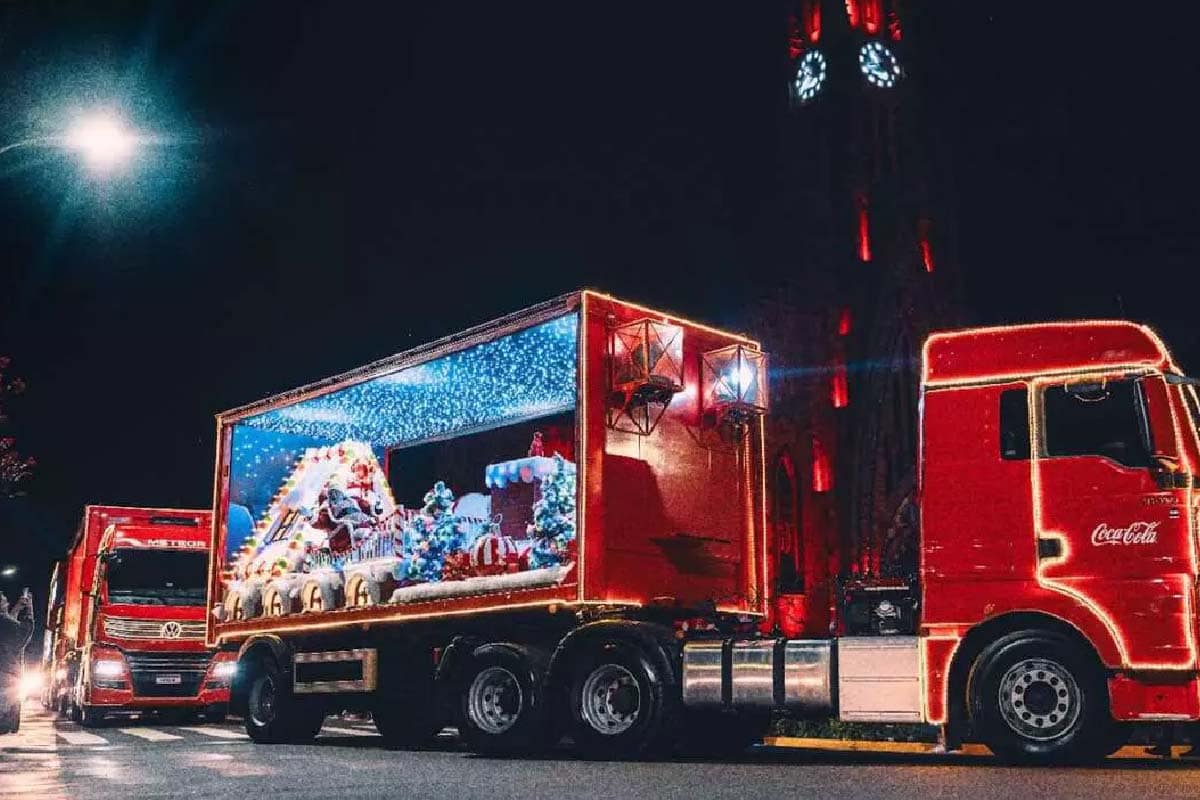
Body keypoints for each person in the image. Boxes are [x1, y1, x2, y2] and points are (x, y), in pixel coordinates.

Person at [0, 589, 34, 733]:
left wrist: (18, 608)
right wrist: (29, 611)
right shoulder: (5, 623)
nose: (7, 601)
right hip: (6, 676)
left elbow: (9, 625)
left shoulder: (5, 622)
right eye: (4, 600)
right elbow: (23, 634)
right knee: (5, 722)